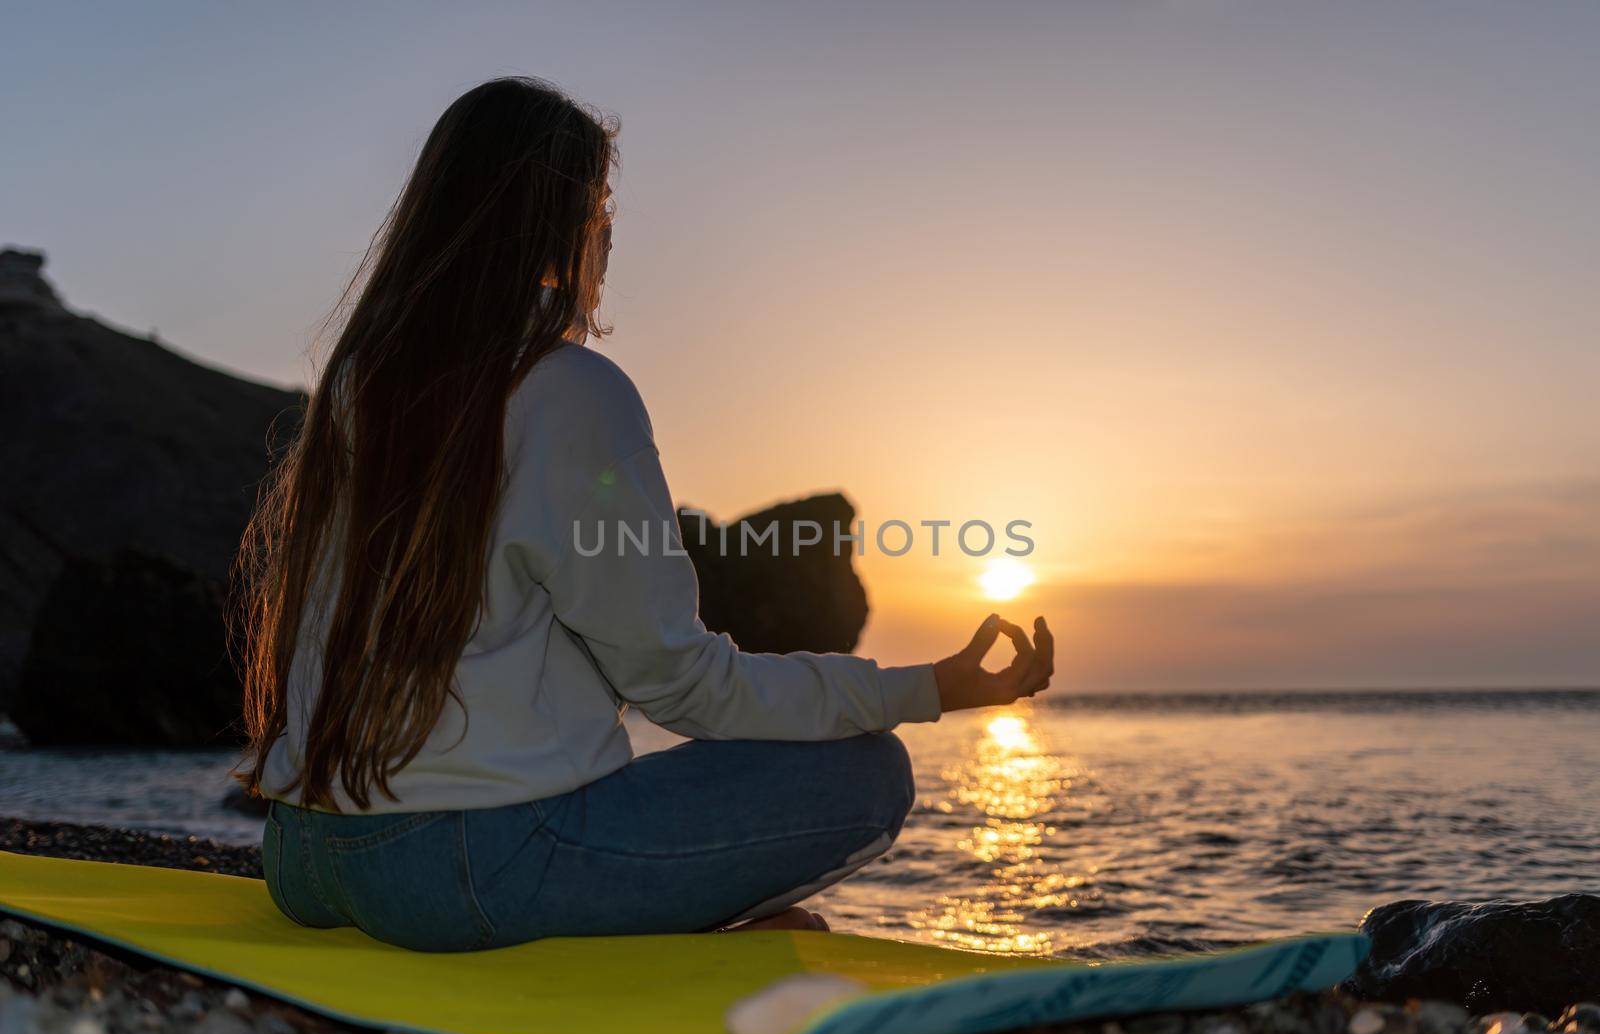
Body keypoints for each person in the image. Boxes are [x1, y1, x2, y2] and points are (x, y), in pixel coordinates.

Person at [236, 77, 1054, 952]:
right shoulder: (568, 393)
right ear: (554, 228)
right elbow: (683, 683)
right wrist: (926, 689)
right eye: (599, 209)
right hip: (463, 871)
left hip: (305, 855)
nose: (611, 234)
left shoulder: (359, 386)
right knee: (868, 770)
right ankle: (702, 933)